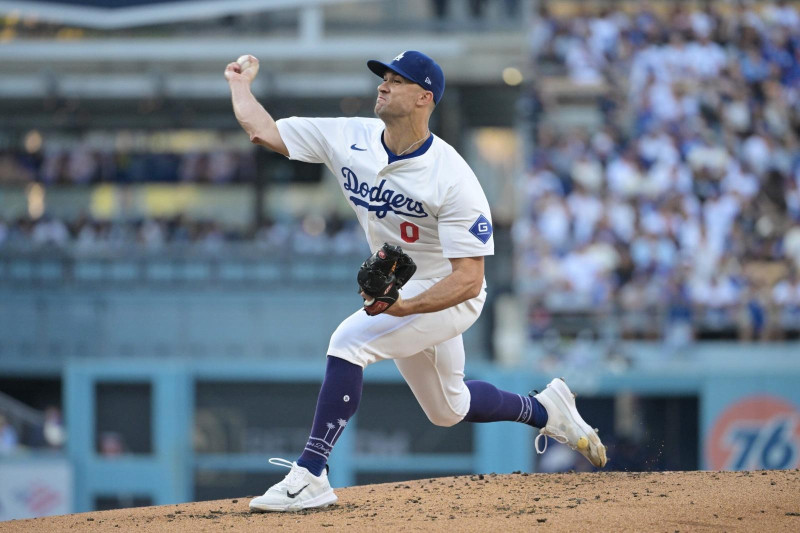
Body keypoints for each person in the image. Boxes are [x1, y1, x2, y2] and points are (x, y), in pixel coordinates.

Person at [225, 50, 607, 513]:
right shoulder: (350, 136)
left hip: (450, 295)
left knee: (349, 341)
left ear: (425, 97)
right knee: (448, 409)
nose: (383, 85)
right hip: (401, 290)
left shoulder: (453, 177)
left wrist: (405, 307)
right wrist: (240, 86)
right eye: (383, 77)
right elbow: (263, 131)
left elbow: (469, 280)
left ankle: (311, 473)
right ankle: (547, 410)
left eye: (397, 80)